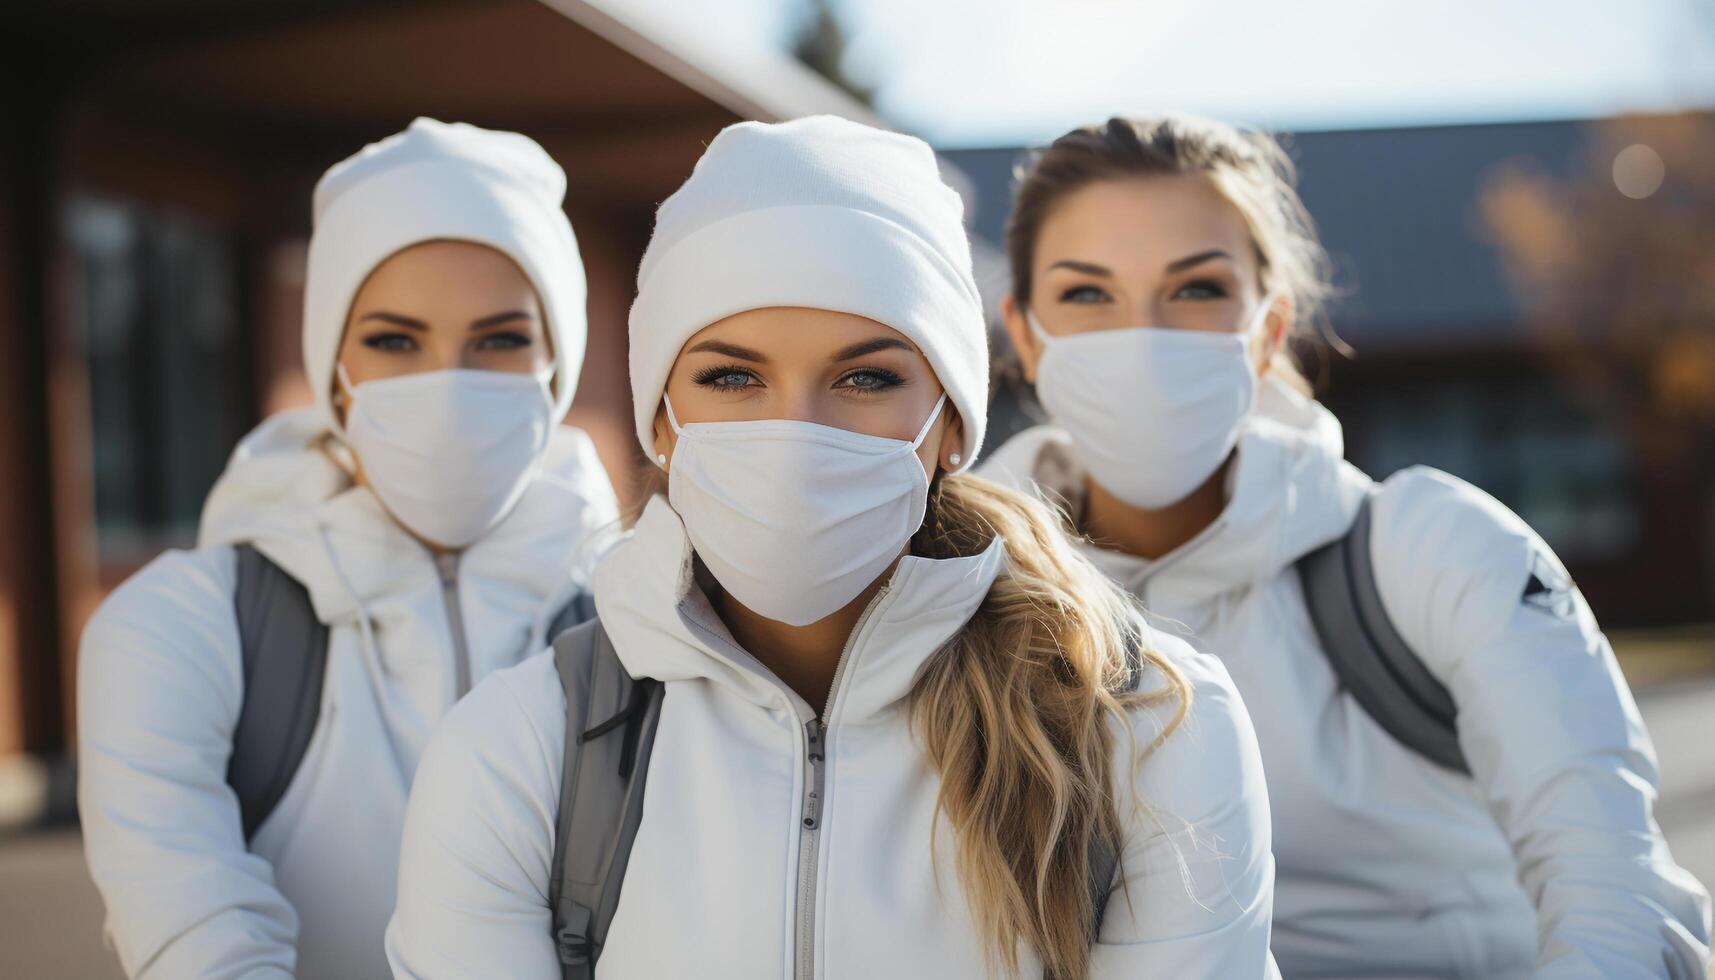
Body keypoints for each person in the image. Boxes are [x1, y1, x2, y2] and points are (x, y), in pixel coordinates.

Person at [385, 115, 1279, 979]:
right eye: (731, 376)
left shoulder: (1152, 725)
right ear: (660, 418)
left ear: (950, 425)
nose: (794, 432)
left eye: (865, 377)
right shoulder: (519, 750)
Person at [981, 114, 1713, 978]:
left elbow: (1617, 891)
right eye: (1087, 294)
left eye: (1196, 288)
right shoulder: (963, 597)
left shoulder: (1427, 552)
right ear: (1026, 333)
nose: (1143, 339)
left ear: (1265, 329)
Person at [77, 118, 620, 979]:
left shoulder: (650, 627)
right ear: (334, 369)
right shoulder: (183, 626)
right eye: (394, 340)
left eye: (501, 339)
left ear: (559, 368)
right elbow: (195, 941)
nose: (446, 383)